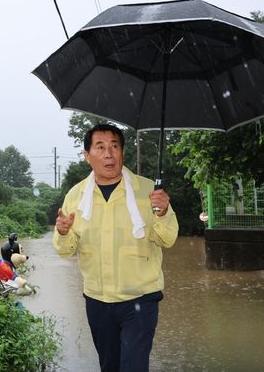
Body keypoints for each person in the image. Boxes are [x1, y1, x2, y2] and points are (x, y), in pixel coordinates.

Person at [53, 123, 178, 372]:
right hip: (97, 301)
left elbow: (168, 240)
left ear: (122, 153)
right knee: (109, 366)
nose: (108, 154)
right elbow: (65, 251)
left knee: (133, 366)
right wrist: (63, 232)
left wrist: (162, 212)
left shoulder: (149, 192)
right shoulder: (76, 196)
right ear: (87, 156)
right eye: (100, 147)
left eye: (114, 146)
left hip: (140, 301)